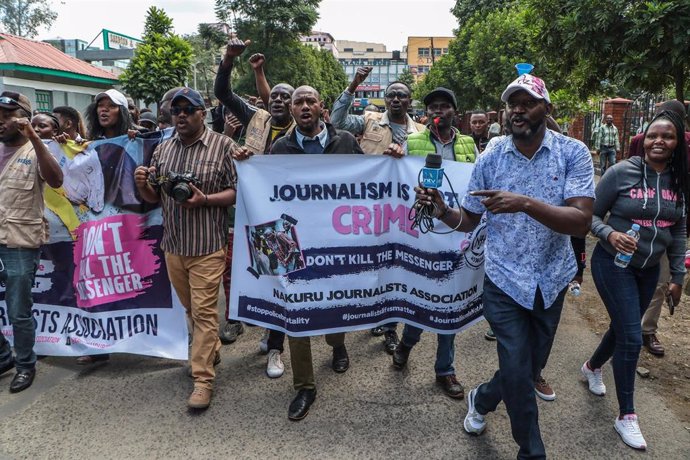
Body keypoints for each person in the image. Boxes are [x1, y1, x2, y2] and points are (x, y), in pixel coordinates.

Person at [415, 74, 594, 459]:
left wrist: (524, 203)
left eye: (527, 102)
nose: (517, 109)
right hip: (504, 280)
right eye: (512, 103)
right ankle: (532, 451)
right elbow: (469, 219)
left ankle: (481, 398)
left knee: (525, 371)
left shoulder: (572, 153)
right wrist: (441, 210)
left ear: (546, 109)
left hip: (552, 279)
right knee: (516, 366)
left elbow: (581, 221)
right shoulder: (492, 156)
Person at [235, 85, 362, 420]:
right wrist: (250, 167)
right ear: (291, 111)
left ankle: (337, 344)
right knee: (297, 315)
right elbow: (266, 192)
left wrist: (391, 161)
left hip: (336, 242)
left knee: (336, 303)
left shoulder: (346, 143)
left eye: (310, 101)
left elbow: (369, 185)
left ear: (321, 107)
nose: (304, 106)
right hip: (293, 243)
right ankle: (305, 386)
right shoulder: (279, 147)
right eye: (298, 102)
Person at [582, 110, 687, 450]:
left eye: (667, 136)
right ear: (643, 139)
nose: (659, 141)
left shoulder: (680, 179)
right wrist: (610, 234)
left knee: (622, 328)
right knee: (631, 335)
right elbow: (590, 216)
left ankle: (592, 366)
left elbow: (680, 229)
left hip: (649, 268)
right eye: (654, 135)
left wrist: (678, 276)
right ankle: (626, 415)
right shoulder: (620, 172)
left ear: (677, 143)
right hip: (613, 263)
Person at [134, 88, 238, 409]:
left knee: (205, 313)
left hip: (207, 244)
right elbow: (155, 199)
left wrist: (204, 199)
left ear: (201, 113)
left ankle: (202, 379)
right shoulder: (162, 151)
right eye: (175, 110)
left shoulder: (223, 146)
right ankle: (212, 349)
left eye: (187, 109)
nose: (180, 115)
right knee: (192, 309)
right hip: (174, 246)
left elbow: (237, 191)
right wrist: (143, 185)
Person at [214, 38, 296, 377]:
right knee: (248, 275)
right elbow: (222, 93)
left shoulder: (302, 131)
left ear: (297, 104)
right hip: (245, 211)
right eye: (273, 95)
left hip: (279, 219)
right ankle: (260, 326)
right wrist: (229, 59)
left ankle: (275, 347)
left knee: (277, 277)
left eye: (284, 96)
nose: (277, 100)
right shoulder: (255, 117)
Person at [330, 67, 425, 352]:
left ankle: (389, 326)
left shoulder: (420, 132)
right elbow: (336, 121)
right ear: (385, 100)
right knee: (369, 265)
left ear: (410, 101)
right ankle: (370, 311)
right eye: (391, 95)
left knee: (395, 267)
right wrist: (354, 84)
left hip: (402, 212)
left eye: (402, 95)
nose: (396, 99)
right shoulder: (369, 121)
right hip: (368, 211)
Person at [394, 87, 476, 399]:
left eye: (445, 106)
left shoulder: (468, 144)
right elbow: (399, 177)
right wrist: (397, 159)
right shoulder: (413, 141)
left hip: (454, 230)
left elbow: (474, 180)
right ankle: (407, 343)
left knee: (449, 303)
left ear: (455, 111)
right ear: (427, 114)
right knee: (421, 298)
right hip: (421, 230)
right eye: (433, 107)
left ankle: (446, 370)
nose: (439, 111)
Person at [0, 91, 64, 392]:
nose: (1, 121)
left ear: (22, 117)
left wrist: (34, 139)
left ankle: (25, 365)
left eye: (8, 115)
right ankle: (3, 355)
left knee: (18, 310)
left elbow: (56, 180)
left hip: (20, 242)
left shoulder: (34, 150)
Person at [627, 100, 690, 357]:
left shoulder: (687, 144)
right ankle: (626, 323)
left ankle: (646, 330)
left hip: (674, 221)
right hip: (639, 220)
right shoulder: (639, 139)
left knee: (660, 278)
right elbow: (630, 171)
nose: (659, 140)